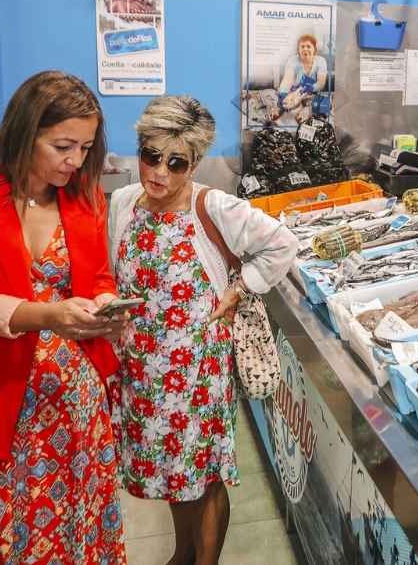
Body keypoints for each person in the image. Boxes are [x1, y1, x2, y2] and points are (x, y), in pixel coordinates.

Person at [0, 70, 128, 562]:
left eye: (85, 147)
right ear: (25, 132)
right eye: (62, 146)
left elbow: (98, 277)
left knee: (70, 524)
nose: (75, 161)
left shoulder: (85, 197)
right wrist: (46, 316)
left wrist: (104, 308)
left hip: (71, 402)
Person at [107, 95, 298, 565]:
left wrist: (239, 289)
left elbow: (281, 244)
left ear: (194, 164)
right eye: (151, 156)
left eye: (177, 163)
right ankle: (182, 553)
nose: (160, 173)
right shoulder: (124, 202)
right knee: (173, 468)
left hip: (197, 370)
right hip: (145, 369)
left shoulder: (213, 207)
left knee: (203, 472)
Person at [278, 33, 328, 118]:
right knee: (285, 111)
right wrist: (284, 94)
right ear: (298, 50)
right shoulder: (293, 60)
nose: (305, 49)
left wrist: (310, 88)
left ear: (314, 49)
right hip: (293, 94)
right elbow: (287, 80)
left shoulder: (321, 61)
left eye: (308, 46)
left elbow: (321, 83)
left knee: (318, 111)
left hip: (312, 94)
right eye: (302, 46)